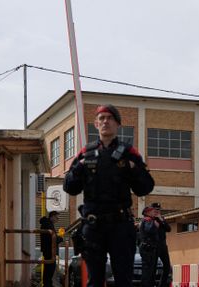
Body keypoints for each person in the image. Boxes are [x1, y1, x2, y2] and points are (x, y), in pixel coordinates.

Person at [64, 104, 155, 287]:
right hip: (93, 225)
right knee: (94, 280)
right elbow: (69, 187)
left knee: (123, 279)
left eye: (110, 118)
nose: (105, 121)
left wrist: (132, 168)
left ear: (117, 124)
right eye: (101, 118)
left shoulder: (129, 153)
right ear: (96, 124)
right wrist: (79, 168)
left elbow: (145, 187)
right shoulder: (85, 153)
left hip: (120, 224)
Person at [138, 202, 171, 287]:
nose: (157, 211)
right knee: (152, 268)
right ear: (152, 210)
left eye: (158, 210)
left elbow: (168, 229)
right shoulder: (149, 219)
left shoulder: (161, 219)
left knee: (167, 266)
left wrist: (161, 219)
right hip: (154, 247)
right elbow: (148, 231)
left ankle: (162, 284)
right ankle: (151, 284)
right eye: (155, 210)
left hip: (163, 246)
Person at [39, 211, 59, 287]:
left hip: (48, 249)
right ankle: (47, 284)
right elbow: (51, 238)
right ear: (52, 216)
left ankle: (47, 284)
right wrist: (59, 238)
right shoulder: (48, 224)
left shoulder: (47, 224)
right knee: (50, 268)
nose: (58, 219)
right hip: (49, 249)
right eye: (57, 217)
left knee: (49, 267)